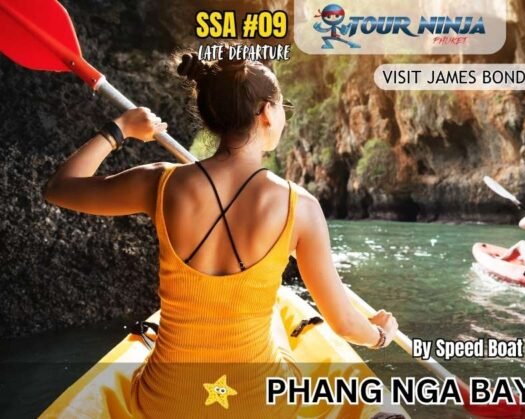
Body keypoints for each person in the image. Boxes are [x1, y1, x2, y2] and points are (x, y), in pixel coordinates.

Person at [43, 53, 398, 416]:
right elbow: (344, 324)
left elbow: (59, 187)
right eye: (282, 107)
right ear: (266, 113)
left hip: (165, 403)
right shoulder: (300, 207)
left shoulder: (160, 183)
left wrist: (120, 128)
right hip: (260, 405)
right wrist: (380, 334)